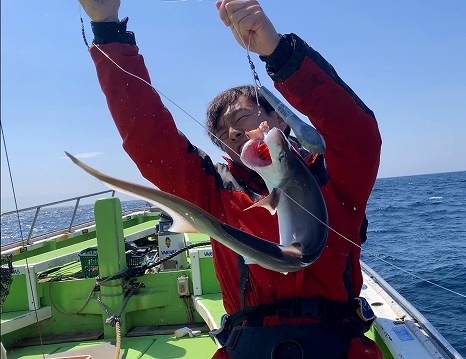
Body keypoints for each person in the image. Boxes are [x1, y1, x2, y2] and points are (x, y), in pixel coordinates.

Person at [78, 0, 382, 358]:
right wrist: (107, 27)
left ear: (280, 119)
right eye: (223, 134)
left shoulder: (335, 175)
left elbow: (356, 130)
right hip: (249, 346)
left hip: (340, 345)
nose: (234, 134)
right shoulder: (214, 191)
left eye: (241, 119)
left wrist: (278, 52)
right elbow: (148, 138)